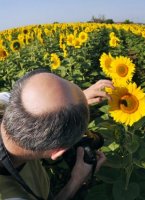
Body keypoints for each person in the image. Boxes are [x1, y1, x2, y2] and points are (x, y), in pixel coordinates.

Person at [0, 69, 114, 200]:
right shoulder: (12, 196)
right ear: (57, 152)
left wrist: (73, 100)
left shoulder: (4, 101)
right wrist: (76, 181)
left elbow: (37, 100)